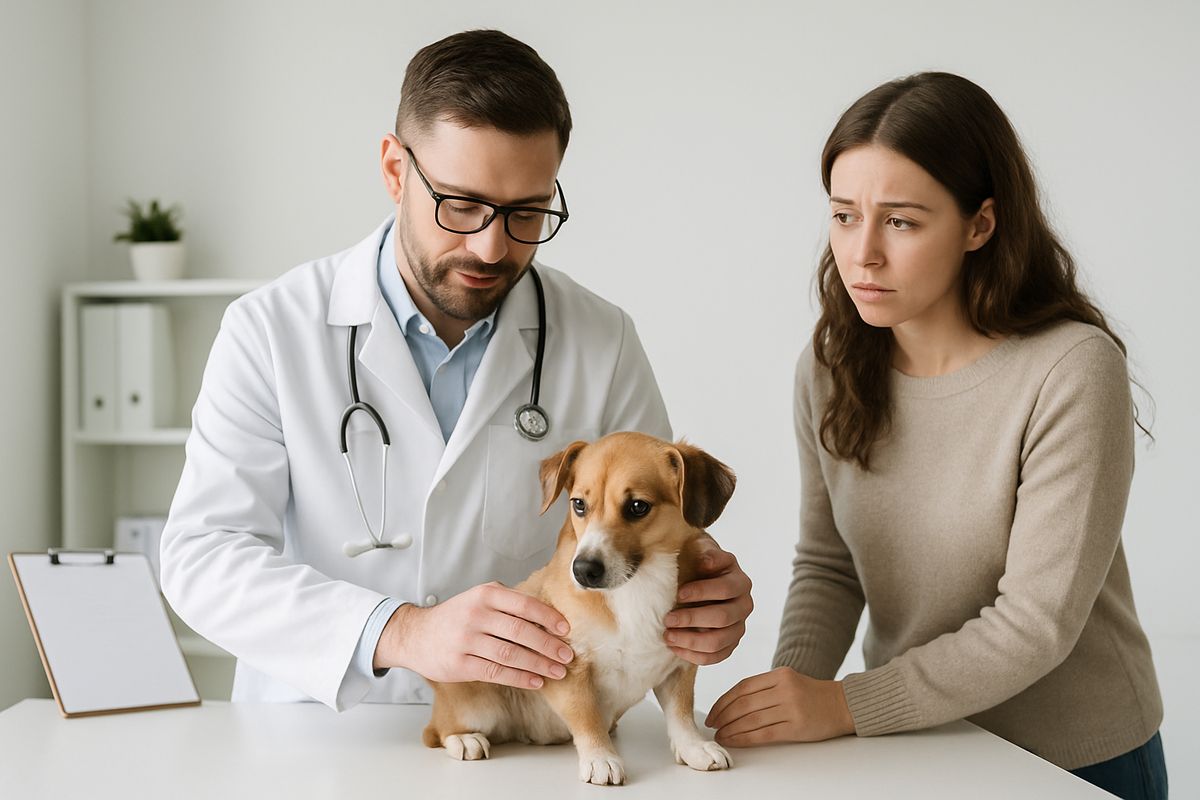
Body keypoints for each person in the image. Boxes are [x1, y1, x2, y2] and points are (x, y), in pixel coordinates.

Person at [160, 29, 752, 711]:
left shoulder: (602, 339)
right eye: (460, 204)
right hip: (323, 736)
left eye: (526, 212)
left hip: (531, 736)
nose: (491, 245)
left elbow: (653, 530)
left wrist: (703, 598)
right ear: (394, 170)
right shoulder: (270, 329)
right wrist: (401, 632)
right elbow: (203, 557)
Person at [706, 72, 1166, 799]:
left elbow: (1035, 624)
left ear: (980, 224)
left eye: (902, 222)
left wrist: (843, 705)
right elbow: (831, 566)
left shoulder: (1071, 369)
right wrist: (790, 692)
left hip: (1073, 762)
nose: (862, 254)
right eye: (844, 215)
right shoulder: (830, 365)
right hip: (918, 750)